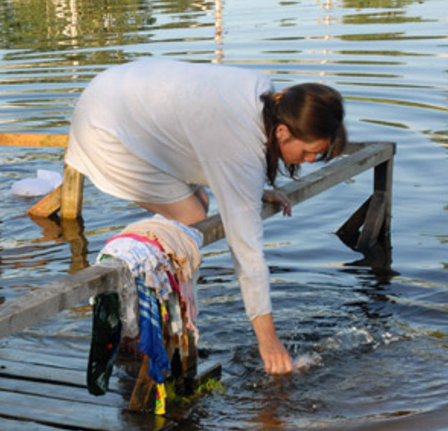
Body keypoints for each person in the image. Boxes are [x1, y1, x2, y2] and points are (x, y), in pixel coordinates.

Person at [66, 59, 346, 375]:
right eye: (309, 152)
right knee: (192, 217)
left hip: (117, 97)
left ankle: (156, 323)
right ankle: (137, 326)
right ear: (282, 131)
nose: (309, 161)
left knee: (199, 202)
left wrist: (252, 189)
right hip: (105, 128)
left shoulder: (268, 98)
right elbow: (248, 254)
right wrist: (268, 342)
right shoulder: (240, 140)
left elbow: (225, 154)